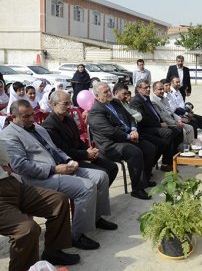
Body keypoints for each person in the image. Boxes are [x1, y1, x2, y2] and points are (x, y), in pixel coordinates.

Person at [0, 99, 116, 251]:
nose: (31, 119)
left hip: (60, 167)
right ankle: (77, 235)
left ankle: (95, 217)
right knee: (86, 188)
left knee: (101, 176)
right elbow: (21, 166)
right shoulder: (9, 135)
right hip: (39, 178)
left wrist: (69, 160)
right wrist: (54, 169)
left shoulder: (38, 128)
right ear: (12, 117)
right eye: (25, 117)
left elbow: (55, 149)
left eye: (32, 115)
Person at [0, 145, 80, 270]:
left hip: (10, 183)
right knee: (27, 230)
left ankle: (53, 252)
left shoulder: (37, 129)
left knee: (58, 201)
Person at [88, 82, 156, 200]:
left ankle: (143, 179)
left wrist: (134, 129)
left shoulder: (115, 102)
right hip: (110, 144)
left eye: (109, 90)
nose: (109, 93)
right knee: (134, 152)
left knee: (150, 148)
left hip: (126, 136)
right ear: (97, 96)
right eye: (106, 92)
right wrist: (129, 136)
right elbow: (110, 132)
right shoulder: (95, 111)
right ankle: (137, 189)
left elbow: (130, 117)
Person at [43, 90, 119, 186]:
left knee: (112, 167)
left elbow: (77, 141)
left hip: (79, 155)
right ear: (54, 104)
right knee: (103, 173)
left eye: (70, 103)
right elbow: (63, 151)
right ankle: (93, 197)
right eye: (65, 104)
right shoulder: (49, 126)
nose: (69, 107)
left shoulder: (69, 119)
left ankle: (97, 196)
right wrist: (86, 154)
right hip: (69, 161)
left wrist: (89, 150)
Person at [130, 79, 181, 173]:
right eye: (146, 87)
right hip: (145, 129)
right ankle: (161, 162)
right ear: (139, 89)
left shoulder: (146, 98)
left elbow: (155, 114)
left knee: (176, 130)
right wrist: (159, 124)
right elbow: (143, 119)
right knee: (167, 134)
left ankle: (169, 161)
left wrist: (161, 122)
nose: (148, 89)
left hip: (154, 125)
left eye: (149, 87)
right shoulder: (136, 101)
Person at [150, 80, 194, 145]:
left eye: (162, 89)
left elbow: (171, 112)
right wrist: (175, 122)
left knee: (190, 128)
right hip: (167, 123)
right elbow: (163, 117)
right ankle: (184, 149)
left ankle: (190, 146)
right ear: (154, 90)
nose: (162, 91)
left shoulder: (164, 98)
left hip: (173, 119)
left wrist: (179, 120)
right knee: (182, 131)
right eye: (160, 89)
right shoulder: (154, 101)